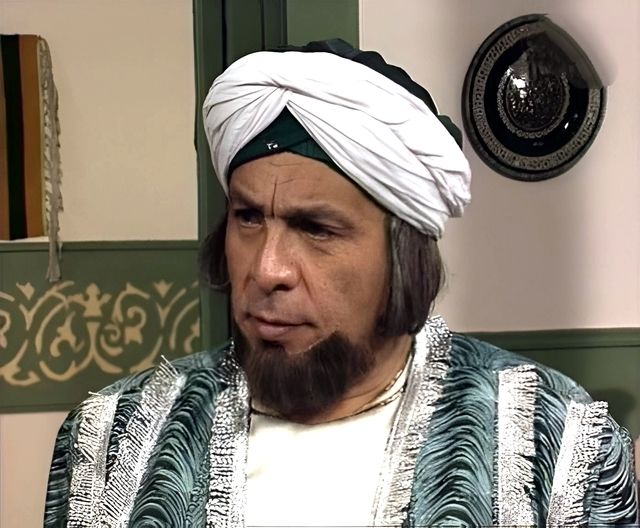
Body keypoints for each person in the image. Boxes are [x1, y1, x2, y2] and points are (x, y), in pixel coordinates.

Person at [44, 39, 637, 527]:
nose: (267, 270)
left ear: (405, 255)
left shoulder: (554, 444)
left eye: (316, 228)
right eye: (248, 218)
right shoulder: (112, 440)